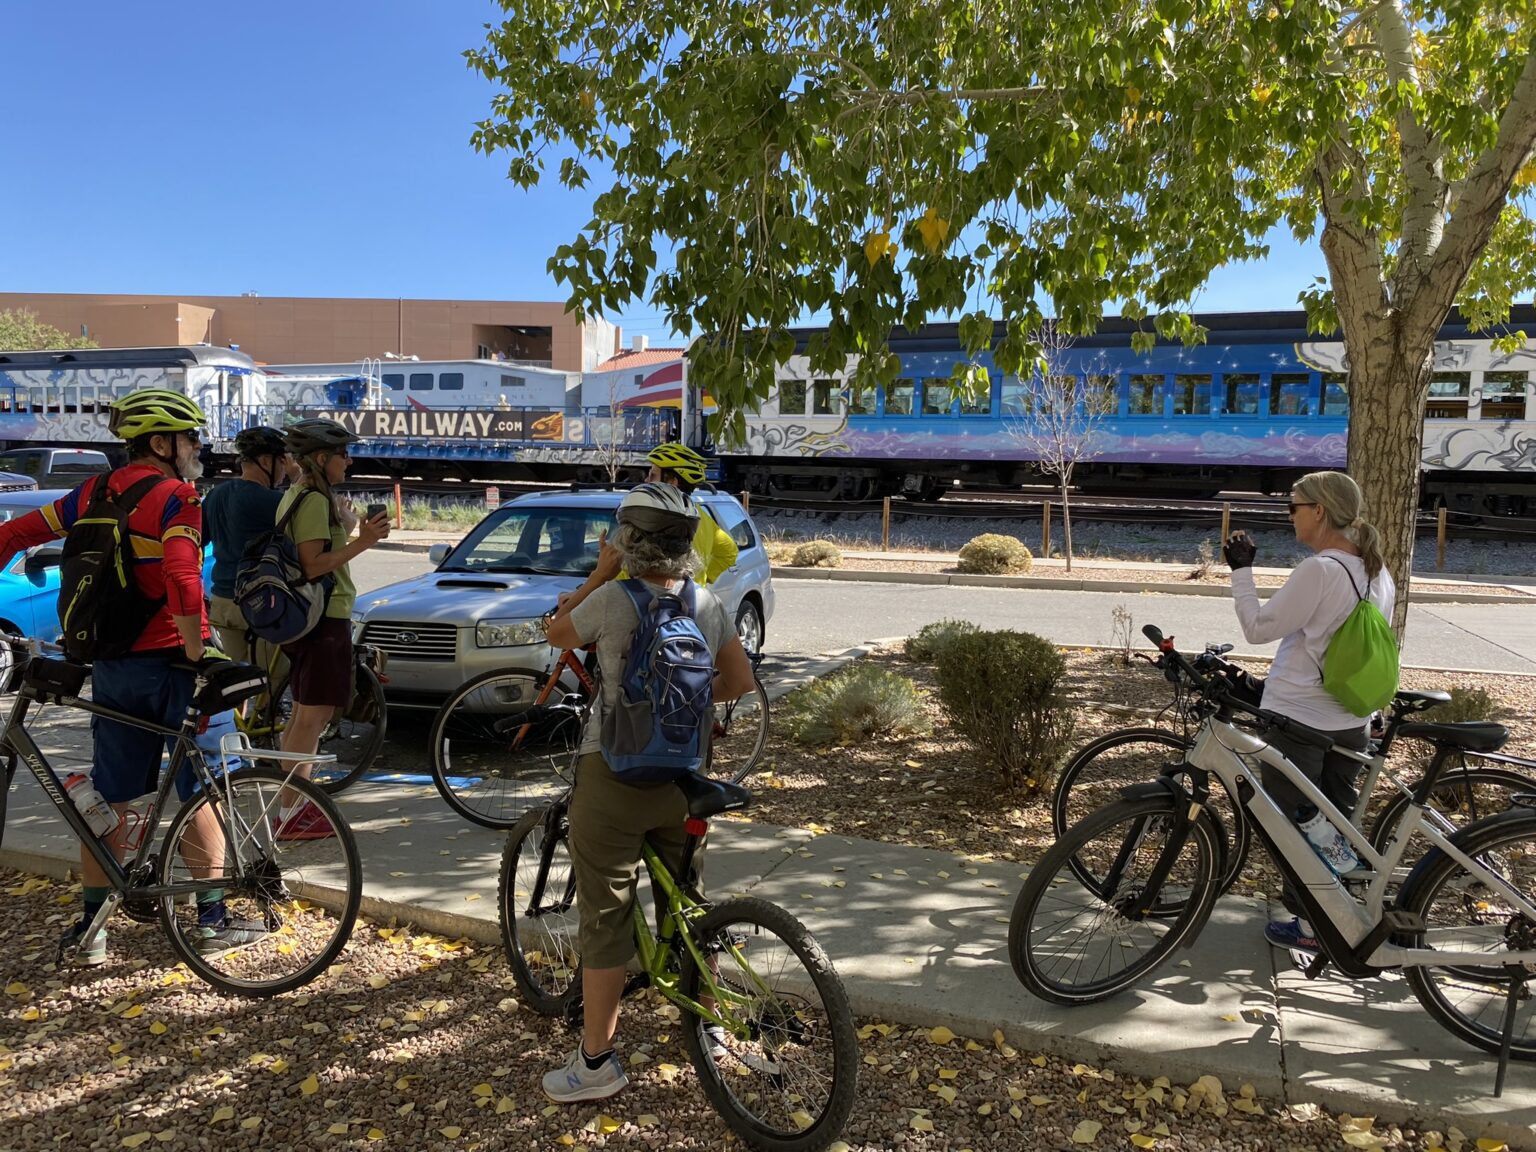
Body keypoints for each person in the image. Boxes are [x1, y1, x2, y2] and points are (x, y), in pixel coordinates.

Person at [0, 389, 262, 963]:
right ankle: (211, 921)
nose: (198, 448)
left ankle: (92, 930)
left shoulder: (91, 493)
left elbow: (13, 536)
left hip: (114, 667)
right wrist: (198, 651)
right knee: (204, 790)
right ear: (162, 444)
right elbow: (183, 578)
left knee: (110, 795)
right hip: (175, 667)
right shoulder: (177, 498)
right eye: (191, 438)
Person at [540, 482, 756, 1103]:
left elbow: (557, 635)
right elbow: (738, 680)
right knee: (689, 904)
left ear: (628, 540)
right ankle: (710, 1026)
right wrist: (682, 705)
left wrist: (599, 572)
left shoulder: (612, 599)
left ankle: (596, 1063)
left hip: (614, 776)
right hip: (684, 776)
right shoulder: (706, 602)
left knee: (605, 918)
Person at [1224, 470, 1396, 954]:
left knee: (1294, 829)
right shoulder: (1378, 572)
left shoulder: (1320, 570)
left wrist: (1241, 570)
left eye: (1293, 507)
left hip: (1297, 720)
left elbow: (1259, 629)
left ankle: (1310, 926)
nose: (1290, 516)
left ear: (1318, 511)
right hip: (1351, 721)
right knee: (1333, 825)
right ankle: (1336, 918)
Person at [273, 419, 390, 841]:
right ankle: (289, 813)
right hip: (323, 619)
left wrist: (344, 525)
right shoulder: (311, 500)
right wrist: (364, 541)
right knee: (312, 717)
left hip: (312, 618)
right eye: (343, 454)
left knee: (304, 715)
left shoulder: (304, 495)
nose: (349, 461)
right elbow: (313, 565)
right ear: (321, 459)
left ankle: (291, 804)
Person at [203, 426, 290, 669]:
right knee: (271, 679)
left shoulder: (216, 495)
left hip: (222, 601)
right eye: (282, 461)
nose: (284, 469)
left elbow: (199, 539)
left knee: (241, 679)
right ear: (266, 461)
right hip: (260, 603)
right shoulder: (274, 502)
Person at [643, 442, 737, 585]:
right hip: (694, 596)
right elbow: (729, 551)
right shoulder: (700, 514)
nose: (646, 480)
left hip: (655, 598)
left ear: (672, 482)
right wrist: (704, 577)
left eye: (652, 475)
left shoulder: (649, 518)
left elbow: (625, 567)